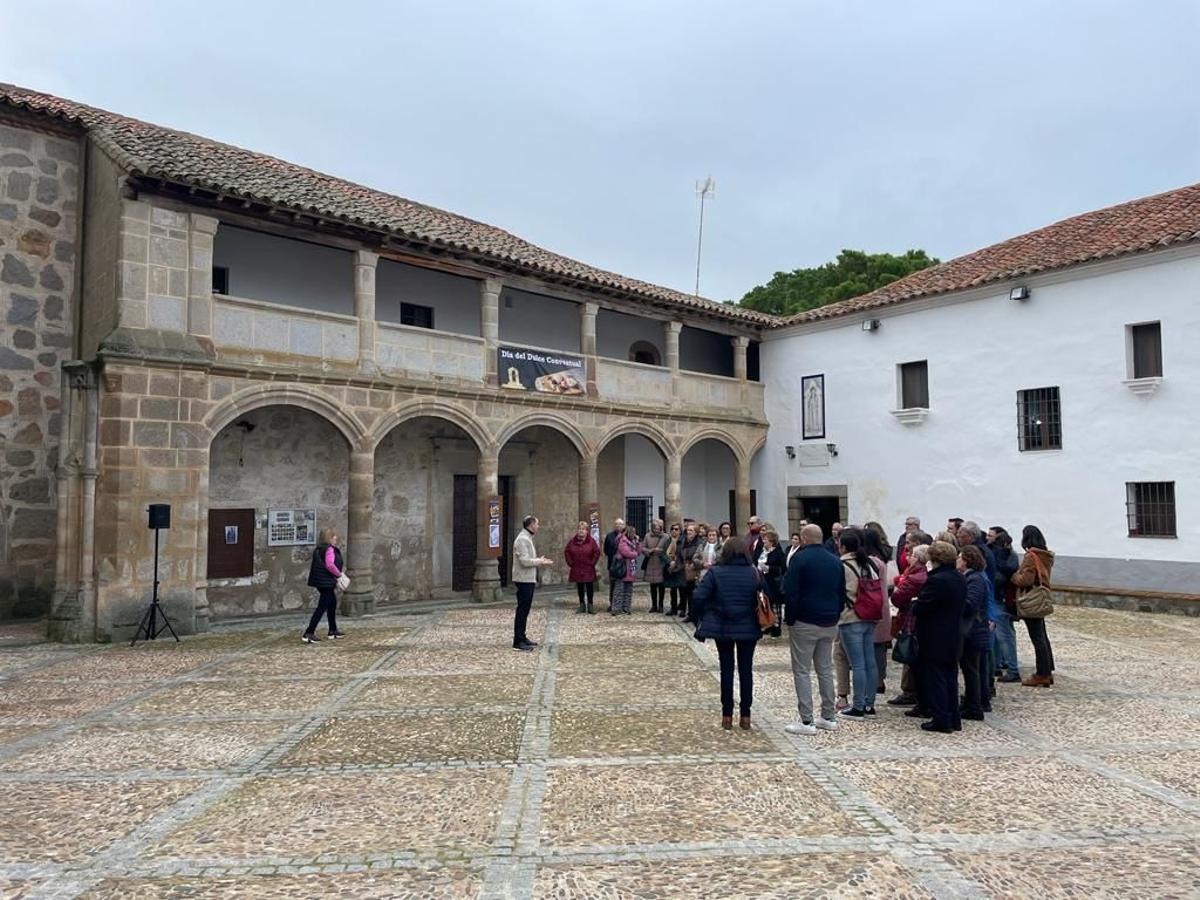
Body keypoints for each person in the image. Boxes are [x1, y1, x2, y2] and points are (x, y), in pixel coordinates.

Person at [691, 537, 763, 730]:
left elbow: (698, 596)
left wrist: (704, 613)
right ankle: (746, 715)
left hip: (722, 625)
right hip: (748, 625)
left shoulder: (716, 572)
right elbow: (766, 596)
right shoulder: (754, 572)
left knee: (727, 670)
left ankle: (727, 714)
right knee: (746, 670)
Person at [782, 524, 844, 734]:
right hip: (829, 621)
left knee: (801, 670)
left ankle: (806, 720)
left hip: (805, 620)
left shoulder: (799, 559)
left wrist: (789, 619)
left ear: (805, 539)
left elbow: (790, 591)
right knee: (825, 669)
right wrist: (835, 614)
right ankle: (829, 716)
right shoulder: (835, 560)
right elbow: (841, 592)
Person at [914, 540, 967, 732]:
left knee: (936, 677)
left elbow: (922, 607)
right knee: (950, 677)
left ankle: (941, 719)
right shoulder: (959, 578)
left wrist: (915, 604)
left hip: (935, 635)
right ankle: (953, 718)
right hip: (953, 633)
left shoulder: (937, 580)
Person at [836, 527, 884, 720]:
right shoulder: (869, 563)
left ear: (844, 546)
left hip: (851, 615)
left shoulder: (842, 565)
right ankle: (869, 704)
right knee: (869, 661)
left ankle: (857, 706)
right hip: (870, 615)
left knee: (857, 664)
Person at [1011, 525, 1056, 687]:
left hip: (1032, 599)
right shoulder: (1046, 555)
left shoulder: (1031, 556)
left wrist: (1014, 576)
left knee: (1037, 637)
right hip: (1040, 598)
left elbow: (1026, 580)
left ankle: (1042, 673)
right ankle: (1047, 669)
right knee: (1042, 636)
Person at [889, 542, 931, 711]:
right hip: (910, 617)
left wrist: (898, 587)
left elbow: (898, 597)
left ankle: (911, 693)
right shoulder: (918, 574)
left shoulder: (915, 577)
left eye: (912, 555)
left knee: (910, 655)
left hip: (909, 619)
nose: (909, 557)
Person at [958, 545, 993, 720]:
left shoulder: (976, 579)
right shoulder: (970, 577)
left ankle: (974, 706)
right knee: (969, 669)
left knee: (972, 670)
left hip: (974, 631)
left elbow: (970, 604)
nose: (957, 560)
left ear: (967, 560)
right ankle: (970, 701)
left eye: (960, 557)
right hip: (972, 630)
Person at [512, 515, 554, 651]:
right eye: (537, 524)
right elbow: (524, 561)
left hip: (528, 578)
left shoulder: (527, 538)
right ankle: (518, 641)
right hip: (523, 579)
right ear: (531, 525)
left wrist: (538, 560)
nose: (538, 526)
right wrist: (539, 561)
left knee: (525, 610)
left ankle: (522, 636)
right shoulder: (522, 539)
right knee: (522, 610)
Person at [864, 526, 894, 694]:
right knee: (879, 647)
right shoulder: (880, 558)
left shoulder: (871, 561)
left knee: (874, 647)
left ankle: (875, 680)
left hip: (873, 607)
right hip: (881, 605)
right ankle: (879, 679)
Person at [989, 528, 1022, 681]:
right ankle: (997, 665)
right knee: (1000, 634)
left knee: (1004, 635)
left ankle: (1012, 669)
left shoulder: (1002, 557)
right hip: (1003, 598)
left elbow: (999, 578)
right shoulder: (1010, 556)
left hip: (1001, 598)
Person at [303, 528, 345, 643]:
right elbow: (330, 565)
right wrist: (339, 574)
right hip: (326, 582)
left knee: (332, 604)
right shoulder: (329, 549)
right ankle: (309, 632)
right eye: (333, 536)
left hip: (321, 581)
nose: (336, 538)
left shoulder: (319, 549)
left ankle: (333, 630)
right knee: (322, 607)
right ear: (329, 538)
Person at [564, 520, 600, 614]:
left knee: (589, 587)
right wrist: (571, 563)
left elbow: (596, 552)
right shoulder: (572, 541)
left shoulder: (591, 541)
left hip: (588, 568)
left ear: (586, 531)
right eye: (579, 529)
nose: (581, 531)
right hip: (577, 567)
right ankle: (582, 605)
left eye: (583, 529)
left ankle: (590, 605)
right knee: (580, 586)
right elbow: (567, 551)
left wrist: (592, 562)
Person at [757, 528, 787, 637]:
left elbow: (782, 569)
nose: (763, 541)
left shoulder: (778, 553)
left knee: (774, 604)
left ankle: (776, 627)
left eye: (766, 539)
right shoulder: (761, 551)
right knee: (764, 603)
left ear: (772, 541)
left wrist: (768, 568)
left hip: (773, 582)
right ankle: (766, 624)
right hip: (761, 581)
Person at [676, 523, 703, 619]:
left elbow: (699, 556)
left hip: (693, 570)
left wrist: (693, 564)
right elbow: (678, 554)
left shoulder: (699, 543)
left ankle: (692, 613)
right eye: (688, 530)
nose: (689, 532)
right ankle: (684, 610)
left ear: (695, 533)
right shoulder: (683, 541)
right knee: (683, 591)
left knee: (692, 593)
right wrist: (680, 565)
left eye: (691, 530)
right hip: (683, 569)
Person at [612, 525, 641, 615]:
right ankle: (617, 608)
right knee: (619, 590)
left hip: (630, 569)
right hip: (623, 569)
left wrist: (638, 543)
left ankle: (626, 607)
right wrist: (635, 553)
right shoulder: (622, 540)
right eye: (632, 532)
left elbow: (639, 551)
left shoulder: (634, 541)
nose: (634, 534)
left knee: (628, 590)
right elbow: (626, 553)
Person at [642, 519, 667, 613]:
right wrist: (649, 551)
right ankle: (654, 605)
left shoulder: (665, 536)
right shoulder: (647, 536)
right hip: (651, 562)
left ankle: (661, 605)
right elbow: (643, 547)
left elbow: (669, 549)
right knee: (652, 585)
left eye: (658, 527)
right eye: (655, 528)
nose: (657, 529)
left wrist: (659, 550)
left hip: (661, 562)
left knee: (661, 585)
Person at [603, 517, 626, 612]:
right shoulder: (609, 536)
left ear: (623, 526)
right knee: (613, 585)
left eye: (620, 524)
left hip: (624, 565)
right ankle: (612, 603)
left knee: (623, 585)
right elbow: (606, 550)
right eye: (617, 524)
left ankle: (622, 604)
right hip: (612, 564)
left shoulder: (626, 536)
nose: (618, 526)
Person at [662, 522, 684, 616]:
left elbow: (683, 554)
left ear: (680, 531)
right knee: (673, 590)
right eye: (672, 529)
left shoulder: (683, 541)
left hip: (680, 568)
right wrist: (669, 562)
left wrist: (676, 562)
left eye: (676, 529)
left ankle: (682, 608)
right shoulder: (668, 541)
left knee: (682, 590)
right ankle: (673, 608)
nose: (674, 531)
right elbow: (663, 554)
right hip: (670, 568)